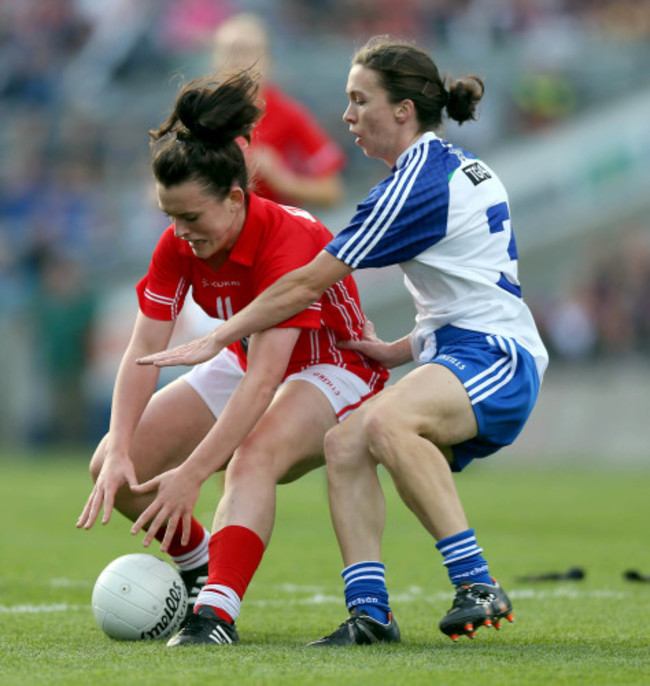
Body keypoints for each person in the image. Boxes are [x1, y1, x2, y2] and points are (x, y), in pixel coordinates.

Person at [138, 35, 549, 645]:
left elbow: (307, 283)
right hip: (462, 349)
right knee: (346, 442)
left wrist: (216, 337)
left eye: (360, 100)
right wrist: (404, 347)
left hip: (497, 358)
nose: (348, 116)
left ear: (403, 110)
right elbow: (475, 283)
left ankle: (475, 581)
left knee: (383, 425)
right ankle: (371, 612)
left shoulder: (416, 184)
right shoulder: (446, 167)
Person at [76, 69, 388, 647]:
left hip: (336, 367)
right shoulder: (178, 243)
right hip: (249, 362)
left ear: (237, 198)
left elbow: (268, 377)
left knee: (250, 457)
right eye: (170, 216)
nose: (180, 231)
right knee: (110, 471)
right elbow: (145, 348)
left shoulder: (287, 240)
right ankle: (199, 571)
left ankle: (215, 616)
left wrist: (193, 474)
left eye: (192, 216)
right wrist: (120, 446)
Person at [212, 12, 346, 208]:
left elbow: (332, 191)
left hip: (272, 232)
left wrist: (282, 180)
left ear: (268, 59)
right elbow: (159, 190)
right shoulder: (198, 114)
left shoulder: (290, 114)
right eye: (229, 52)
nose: (238, 61)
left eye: (247, 51)